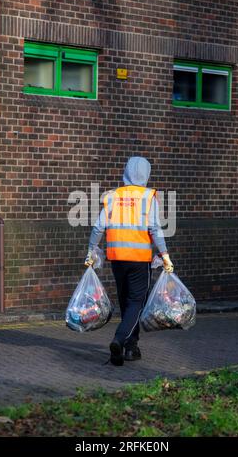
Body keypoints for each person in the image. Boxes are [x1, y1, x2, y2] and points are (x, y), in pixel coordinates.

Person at [85, 156, 173, 366]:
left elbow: (98, 227)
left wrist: (91, 250)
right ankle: (120, 339)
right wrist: (165, 255)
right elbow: (154, 229)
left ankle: (131, 348)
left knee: (126, 301)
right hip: (140, 260)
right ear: (146, 173)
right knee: (136, 302)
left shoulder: (112, 196)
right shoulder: (149, 197)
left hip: (117, 259)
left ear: (126, 171)